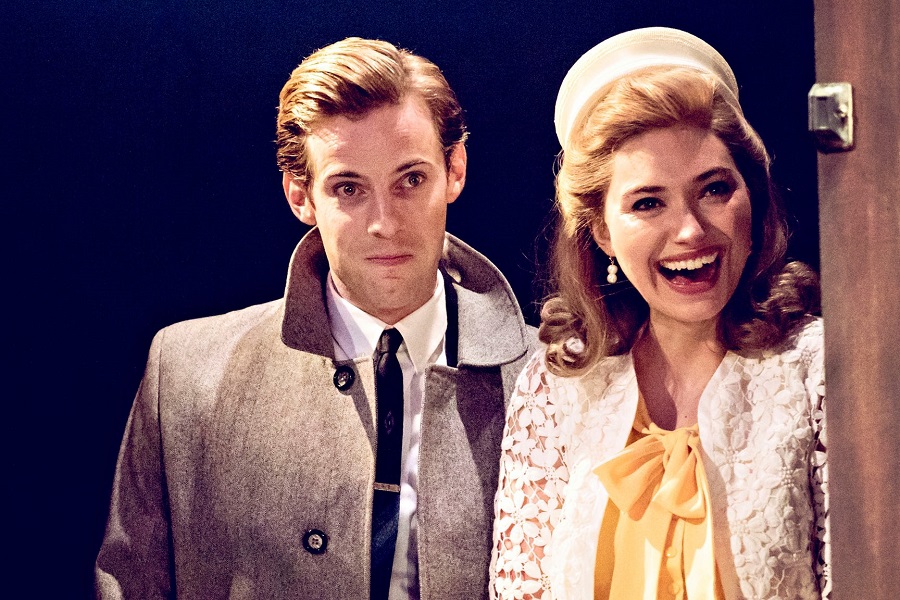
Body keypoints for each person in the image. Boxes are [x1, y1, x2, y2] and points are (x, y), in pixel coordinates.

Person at [96, 37, 536, 600]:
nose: (384, 223)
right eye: (348, 188)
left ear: (455, 170)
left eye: (410, 179)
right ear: (300, 196)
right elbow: (128, 585)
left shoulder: (547, 379)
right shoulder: (185, 373)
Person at [491, 27, 828, 600]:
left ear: (753, 196)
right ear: (601, 231)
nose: (690, 230)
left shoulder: (817, 369)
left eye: (714, 189)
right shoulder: (557, 385)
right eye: (648, 203)